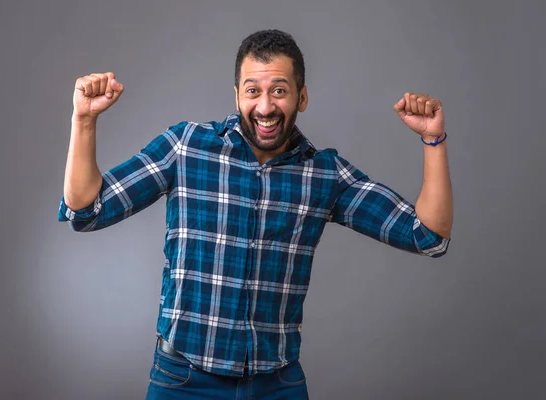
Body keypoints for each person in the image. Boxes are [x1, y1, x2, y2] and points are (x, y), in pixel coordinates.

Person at [58, 29, 452, 400]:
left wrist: (433, 139)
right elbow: (87, 209)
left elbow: (428, 235)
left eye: (279, 90)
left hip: (276, 384)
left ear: (302, 97)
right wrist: (85, 120)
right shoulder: (186, 147)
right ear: (237, 96)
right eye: (253, 91)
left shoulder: (325, 174)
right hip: (184, 380)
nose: (265, 107)